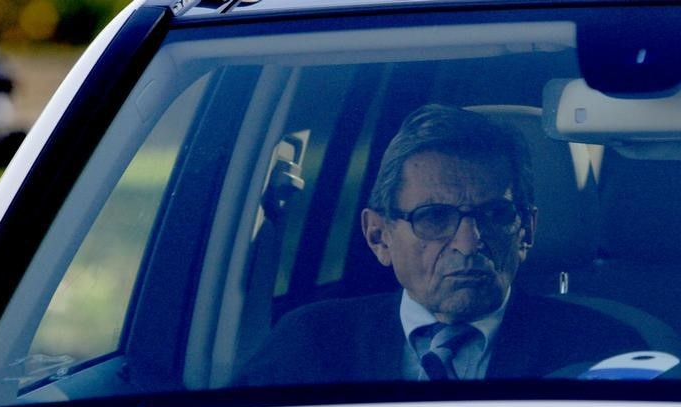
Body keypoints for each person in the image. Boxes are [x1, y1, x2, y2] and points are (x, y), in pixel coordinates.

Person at [236, 104, 649, 385]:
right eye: (433, 217)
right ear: (378, 236)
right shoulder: (310, 344)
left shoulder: (603, 351)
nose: (469, 243)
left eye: (495, 215)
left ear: (526, 230)